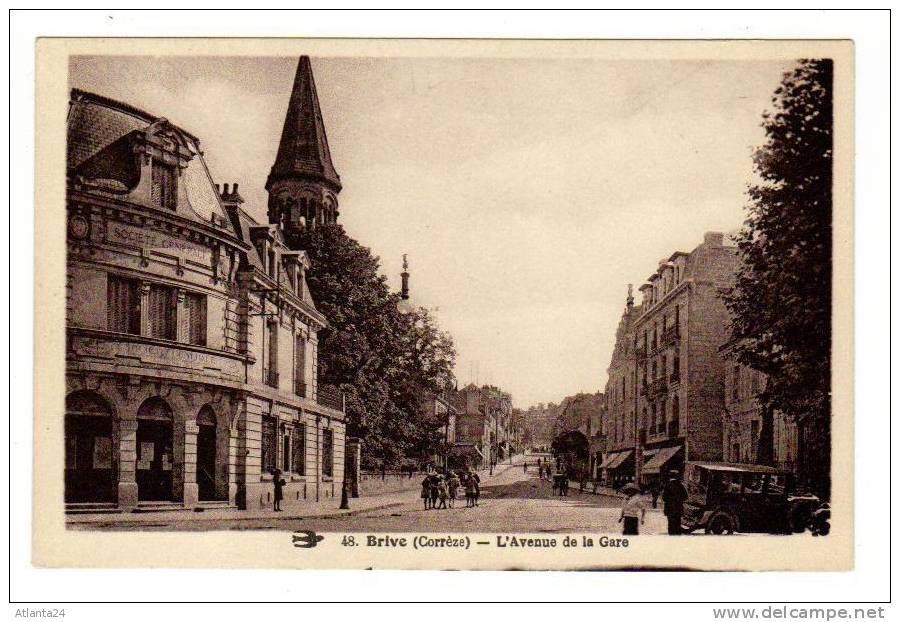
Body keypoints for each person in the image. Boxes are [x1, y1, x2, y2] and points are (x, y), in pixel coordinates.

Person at [662, 469, 688, 535]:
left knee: (671, 526)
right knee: (677, 525)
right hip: (678, 509)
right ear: (676, 476)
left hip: (669, 510)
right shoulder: (681, 486)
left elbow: (664, 498)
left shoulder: (667, 486)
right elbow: (686, 497)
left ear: (670, 476)